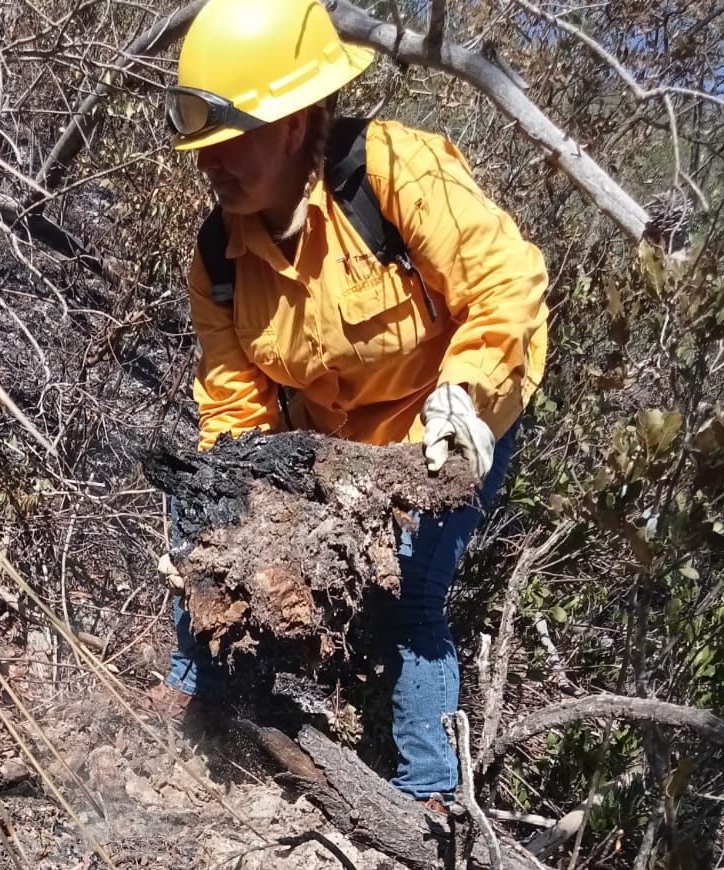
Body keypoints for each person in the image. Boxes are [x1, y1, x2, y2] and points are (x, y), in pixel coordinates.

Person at [150, 0, 549, 807]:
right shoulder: (218, 258)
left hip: (454, 416)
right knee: (207, 535)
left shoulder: (394, 173)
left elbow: (506, 280)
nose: (210, 166)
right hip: (331, 438)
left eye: (230, 142)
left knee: (409, 596)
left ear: (296, 122)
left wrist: (466, 398)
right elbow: (234, 409)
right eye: (202, 147)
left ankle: (427, 801)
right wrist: (224, 524)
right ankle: (190, 713)